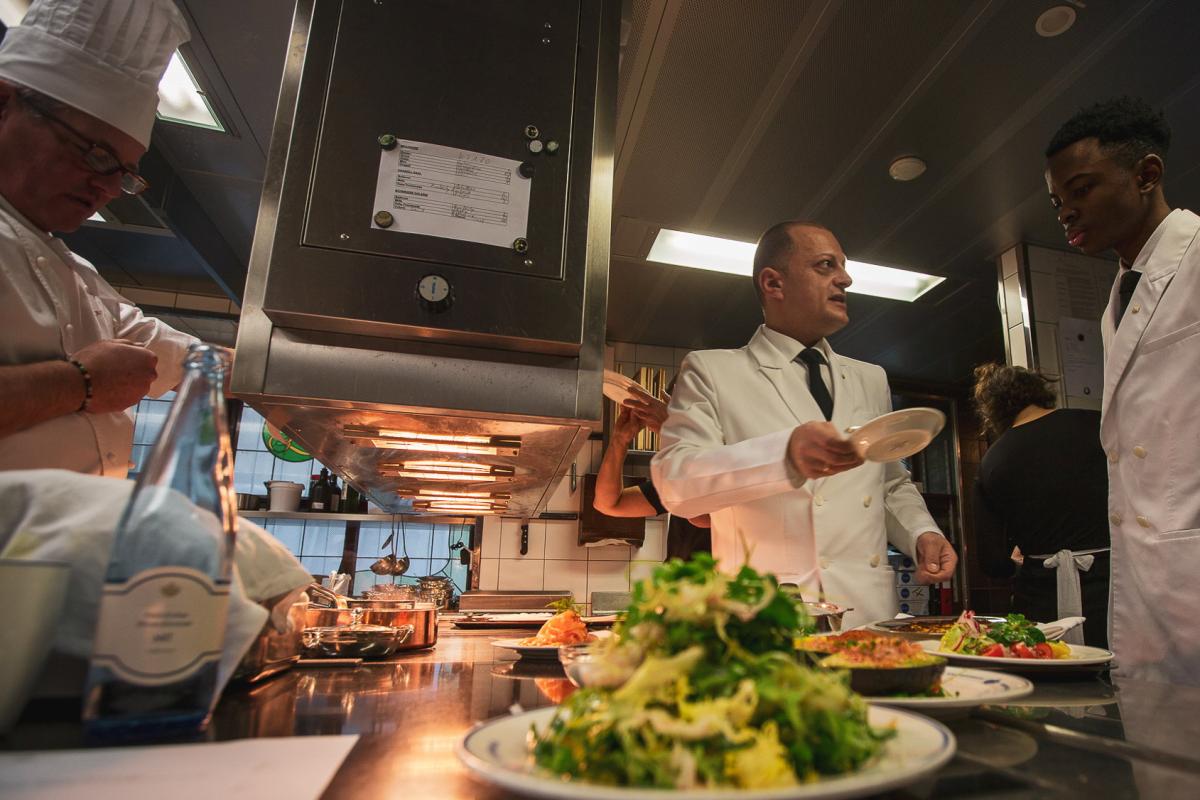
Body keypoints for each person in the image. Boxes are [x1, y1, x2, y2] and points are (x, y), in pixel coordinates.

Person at [650, 221, 957, 627]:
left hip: (867, 614)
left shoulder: (871, 378)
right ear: (774, 284)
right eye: (826, 265)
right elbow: (676, 483)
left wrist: (921, 532)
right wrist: (783, 455)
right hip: (766, 617)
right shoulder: (711, 370)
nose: (845, 279)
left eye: (843, 267)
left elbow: (886, 483)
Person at [0, 0, 199, 476]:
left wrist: (284, 376)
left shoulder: (70, 270)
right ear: (4, 105)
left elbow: (164, 349)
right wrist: (79, 384)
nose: (110, 188)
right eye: (95, 155)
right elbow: (101, 374)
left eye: (125, 173)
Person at [1045, 96, 1200, 684]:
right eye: (1058, 200)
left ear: (1146, 175)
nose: (1066, 211)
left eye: (1081, 189)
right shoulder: (1117, 297)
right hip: (1149, 581)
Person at [970, 363, 1109, 647]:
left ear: (993, 410)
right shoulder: (1097, 424)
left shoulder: (992, 462)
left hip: (1040, 603)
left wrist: (1018, 563)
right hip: (1116, 590)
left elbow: (992, 562)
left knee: (1053, 682)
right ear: (1039, 390)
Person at [593, 381, 711, 561]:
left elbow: (703, 518)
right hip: (679, 585)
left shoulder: (729, 457)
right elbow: (608, 503)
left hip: (720, 586)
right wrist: (620, 441)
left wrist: (674, 433)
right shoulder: (678, 476)